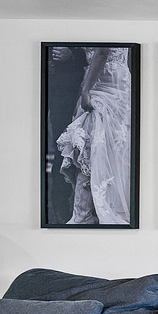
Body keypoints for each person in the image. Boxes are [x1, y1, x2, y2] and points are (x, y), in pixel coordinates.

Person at [57, 47, 131, 225]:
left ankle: (84, 215)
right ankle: (88, 212)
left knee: (92, 142)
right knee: (103, 145)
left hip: (104, 80)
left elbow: (102, 53)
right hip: (111, 80)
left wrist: (86, 90)